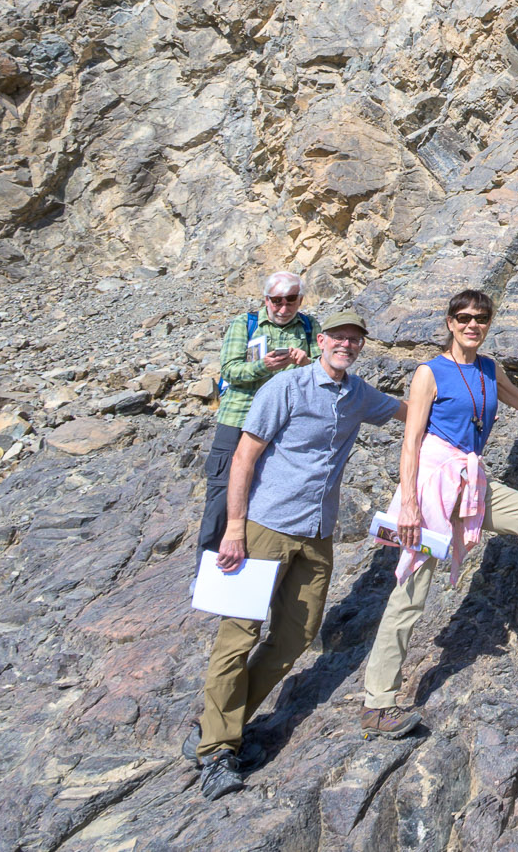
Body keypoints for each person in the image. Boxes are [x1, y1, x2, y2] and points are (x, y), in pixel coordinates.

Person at [358, 289, 518, 738]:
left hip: (472, 482)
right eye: (464, 317)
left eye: (481, 318)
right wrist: (411, 505)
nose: (473, 324)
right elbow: (411, 441)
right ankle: (378, 705)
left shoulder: (490, 369)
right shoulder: (428, 374)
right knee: (410, 591)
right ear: (450, 322)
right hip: (434, 486)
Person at [187, 310, 404, 800]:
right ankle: (218, 750)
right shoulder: (284, 387)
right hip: (264, 526)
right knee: (237, 638)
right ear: (321, 340)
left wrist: (462, 400)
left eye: (355, 340)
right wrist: (234, 529)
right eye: (339, 338)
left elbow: (406, 410)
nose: (346, 346)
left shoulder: (357, 394)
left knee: (296, 637)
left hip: (316, 532)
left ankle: (218, 724)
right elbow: (244, 456)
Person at [197, 271, 315, 551]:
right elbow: (229, 370)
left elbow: (324, 372)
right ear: (266, 300)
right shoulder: (244, 324)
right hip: (238, 420)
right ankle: (206, 571)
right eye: (277, 301)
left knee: (268, 495)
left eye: (291, 301)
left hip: (284, 425)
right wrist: (264, 366)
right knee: (221, 494)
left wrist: (307, 362)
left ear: (300, 299)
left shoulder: (310, 327)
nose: (284, 308)